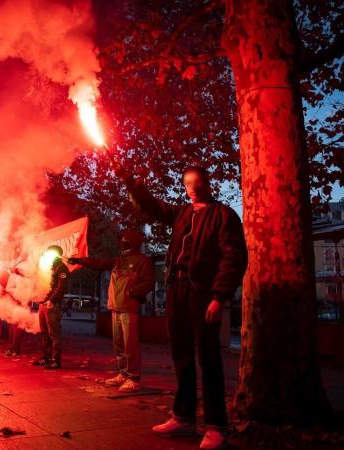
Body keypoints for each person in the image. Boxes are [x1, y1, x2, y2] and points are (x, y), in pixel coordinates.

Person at [120, 165, 247, 450]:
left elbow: (233, 257)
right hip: (177, 289)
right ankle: (184, 416)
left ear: (207, 183)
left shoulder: (223, 215)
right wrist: (129, 180)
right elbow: (150, 206)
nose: (192, 188)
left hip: (203, 293)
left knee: (209, 357)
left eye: (197, 182)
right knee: (182, 356)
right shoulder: (181, 213)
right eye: (188, 183)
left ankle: (216, 426)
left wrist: (218, 296)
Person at [68, 229, 155, 393]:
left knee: (130, 345)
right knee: (119, 345)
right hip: (115, 308)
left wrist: (131, 292)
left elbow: (148, 282)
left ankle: (134, 378)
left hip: (129, 309)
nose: (122, 243)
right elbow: (100, 263)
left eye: (125, 241)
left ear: (133, 243)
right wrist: (81, 261)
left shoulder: (142, 261)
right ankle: (123, 374)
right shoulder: (119, 260)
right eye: (121, 240)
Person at [34, 245, 69, 370]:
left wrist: (52, 300)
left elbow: (61, 287)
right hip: (44, 303)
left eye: (50, 252)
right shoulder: (50, 267)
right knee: (44, 332)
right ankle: (46, 356)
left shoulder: (62, 268)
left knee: (53, 333)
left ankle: (56, 360)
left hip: (53, 305)